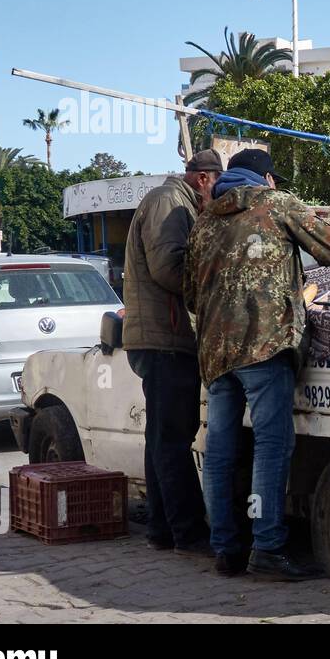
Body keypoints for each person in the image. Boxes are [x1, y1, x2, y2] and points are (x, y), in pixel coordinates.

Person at [184, 148, 330, 580]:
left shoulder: (204, 221)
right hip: (265, 344)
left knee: (219, 451)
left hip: (216, 354)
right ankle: (268, 547)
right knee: (271, 447)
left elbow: (189, 294)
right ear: (267, 179)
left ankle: (225, 548)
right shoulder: (276, 203)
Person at [122, 149, 223, 556]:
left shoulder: (175, 200)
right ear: (204, 179)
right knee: (174, 439)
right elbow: (169, 267)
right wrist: (215, 293)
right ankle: (188, 532)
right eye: (218, 186)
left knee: (162, 440)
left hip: (163, 336)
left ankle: (163, 529)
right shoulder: (170, 202)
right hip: (165, 337)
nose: (219, 195)